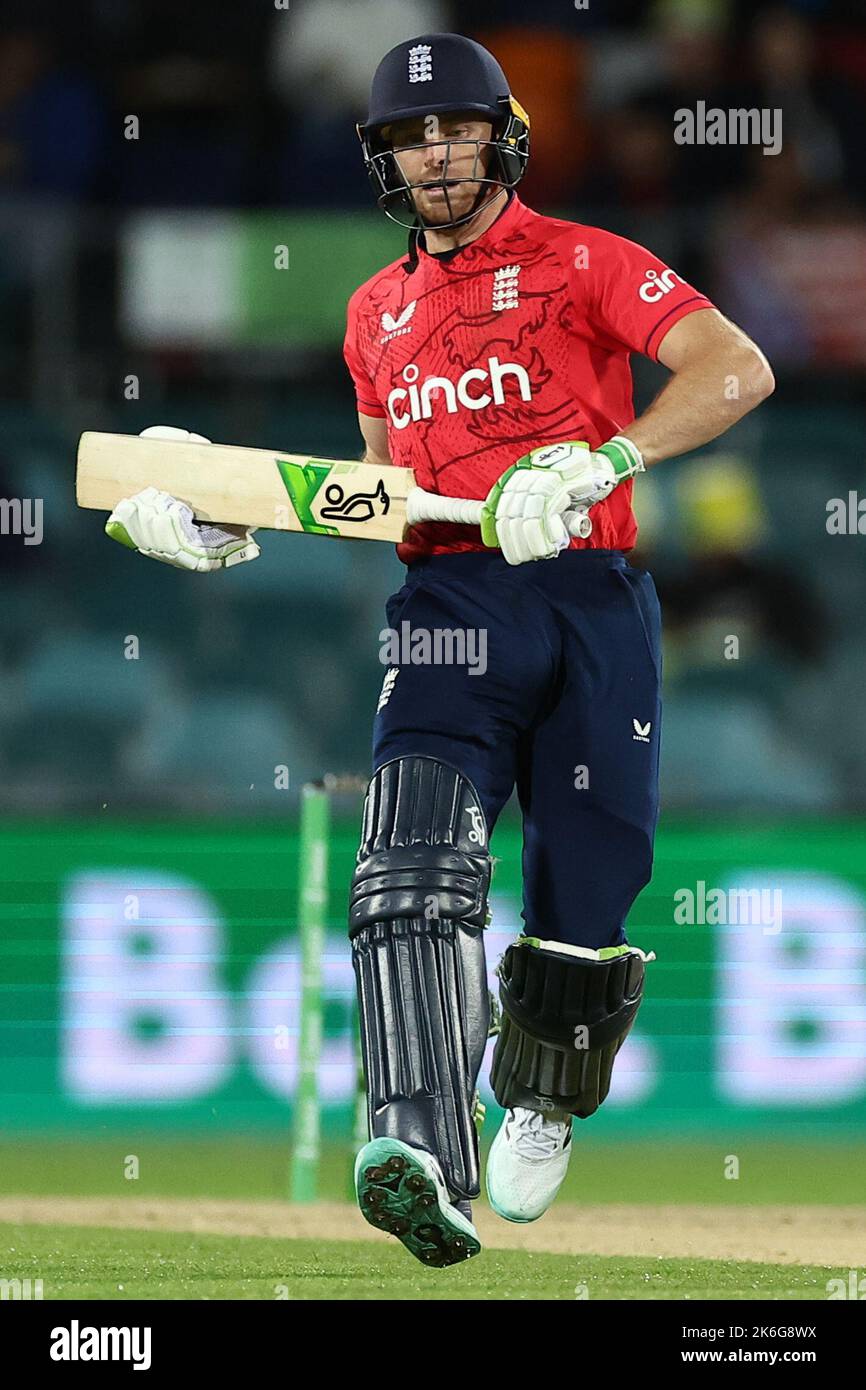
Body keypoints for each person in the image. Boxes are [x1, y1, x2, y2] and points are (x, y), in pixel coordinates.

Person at [104, 32, 774, 1272]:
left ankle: (540, 1097)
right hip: (448, 605)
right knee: (409, 862)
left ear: (502, 135)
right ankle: (415, 1138)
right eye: (411, 137)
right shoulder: (374, 311)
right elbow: (376, 490)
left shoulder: (587, 261)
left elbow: (736, 368)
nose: (435, 153)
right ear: (383, 162)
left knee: (583, 906)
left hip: (588, 592)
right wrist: (219, 514)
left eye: (455, 128)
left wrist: (605, 459)